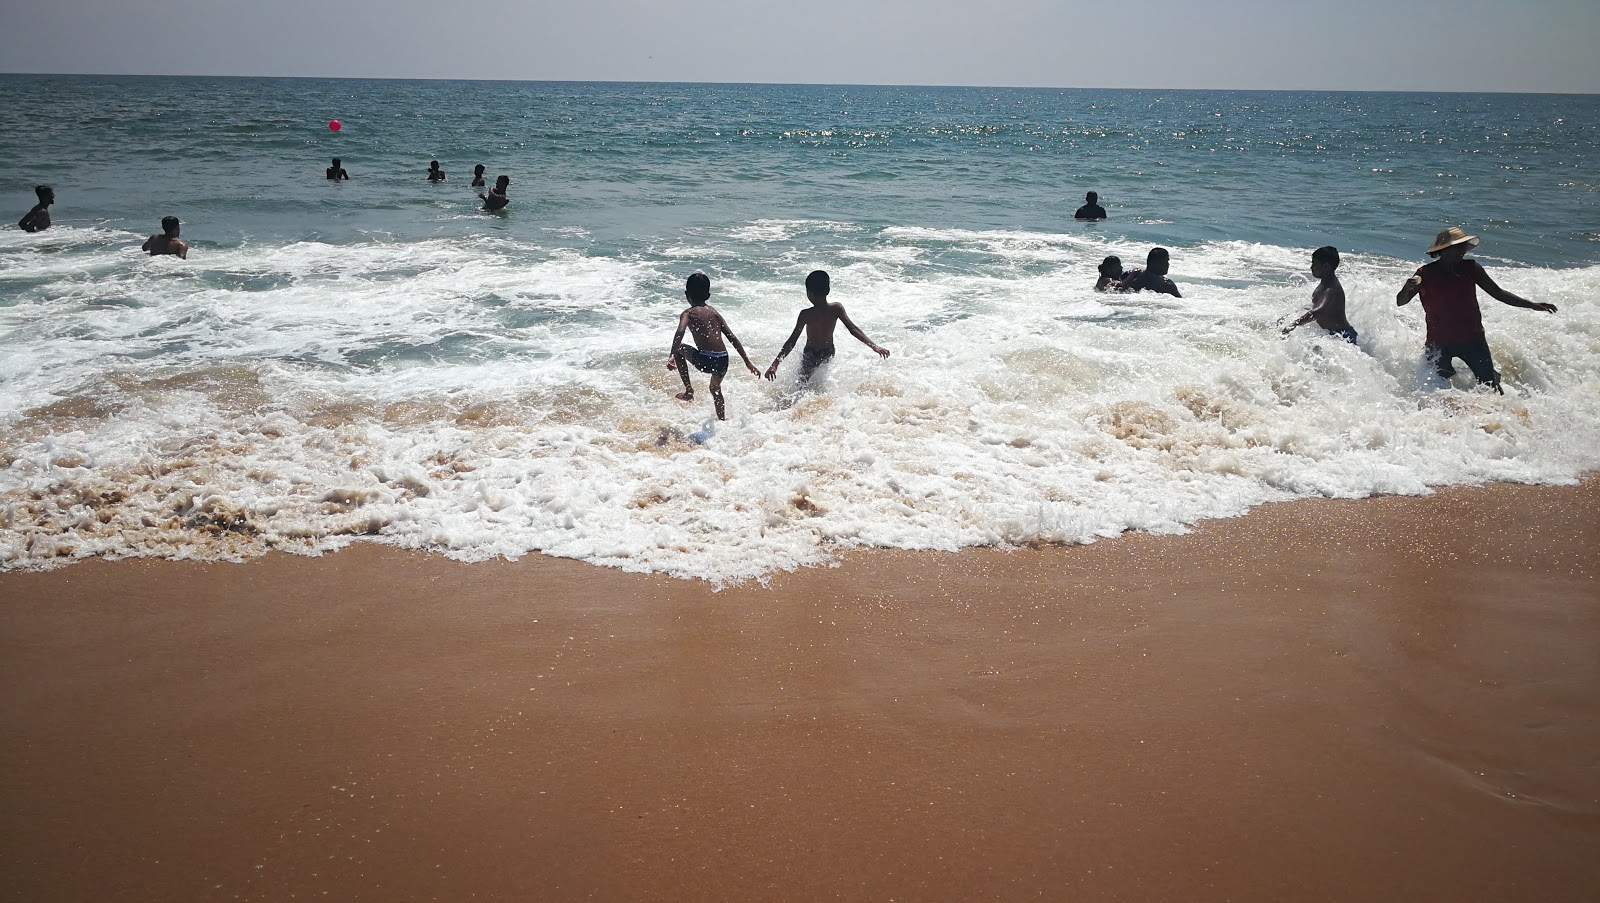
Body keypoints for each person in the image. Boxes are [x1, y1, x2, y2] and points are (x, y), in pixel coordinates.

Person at [1395, 227, 1556, 394]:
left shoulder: (1471, 268)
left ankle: (1500, 416)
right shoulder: (1425, 274)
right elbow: (1401, 301)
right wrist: (1407, 288)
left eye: (1464, 247)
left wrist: (1531, 305)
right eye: (1458, 247)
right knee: (1437, 390)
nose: (1463, 251)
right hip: (1439, 342)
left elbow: (1498, 293)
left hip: (1472, 338)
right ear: (1444, 250)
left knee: (1491, 387)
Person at [765, 270, 890, 383]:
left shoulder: (806, 314)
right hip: (828, 352)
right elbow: (853, 329)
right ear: (828, 290)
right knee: (821, 383)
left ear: (809, 293)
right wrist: (874, 346)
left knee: (803, 383)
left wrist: (775, 364)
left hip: (811, 353)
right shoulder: (836, 308)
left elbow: (792, 341)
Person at [667, 273, 760, 420]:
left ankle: (689, 391)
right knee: (715, 389)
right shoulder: (715, 313)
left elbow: (680, 332)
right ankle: (722, 420)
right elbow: (732, 338)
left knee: (680, 349)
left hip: (706, 359)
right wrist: (747, 362)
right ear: (708, 295)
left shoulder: (688, 313)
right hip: (723, 359)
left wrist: (672, 355)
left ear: (686, 294)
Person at [1282, 246, 1357, 344]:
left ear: (1326, 266)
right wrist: (1290, 316)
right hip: (1333, 335)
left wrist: (1294, 324)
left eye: (1314, 264)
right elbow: (1315, 306)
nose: (1311, 267)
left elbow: (1318, 311)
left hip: (1344, 336)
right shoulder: (1325, 283)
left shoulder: (1330, 289)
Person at [1116, 247, 1181, 297]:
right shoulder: (1167, 284)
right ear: (1158, 264)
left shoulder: (1131, 275)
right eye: (1166, 261)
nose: (1168, 264)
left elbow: (1116, 288)